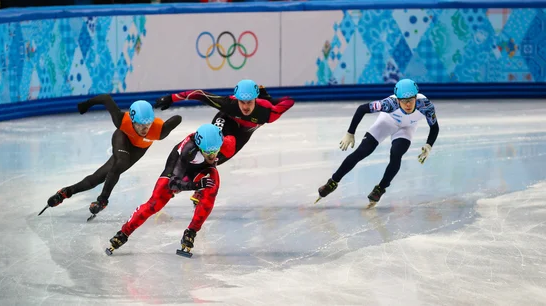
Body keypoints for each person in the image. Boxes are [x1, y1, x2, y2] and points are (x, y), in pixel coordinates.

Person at [39, 94, 182, 220]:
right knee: (120, 163)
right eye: (140, 125)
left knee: (97, 178)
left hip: (138, 149)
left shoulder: (160, 130)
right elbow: (106, 98)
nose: (145, 129)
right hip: (123, 138)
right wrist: (85, 104)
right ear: (132, 120)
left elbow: (178, 118)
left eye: (148, 125)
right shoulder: (121, 120)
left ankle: (66, 192)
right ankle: (103, 200)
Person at [153, 79, 295, 205]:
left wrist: (272, 100)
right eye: (242, 102)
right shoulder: (229, 104)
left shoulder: (268, 112)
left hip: (242, 133)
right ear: (237, 99)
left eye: (250, 102)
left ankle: (193, 182)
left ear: (256, 99)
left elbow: (289, 100)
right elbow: (200, 95)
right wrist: (172, 98)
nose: (245, 107)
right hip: (226, 120)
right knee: (211, 148)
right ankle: (180, 179)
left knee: (217, 158)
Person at [105, 123, 230, 257]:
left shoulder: (223, 143)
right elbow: (173, 184)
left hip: (200, 170)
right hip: (177, 171)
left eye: (215, 151)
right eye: (207, 152)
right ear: (199, 146)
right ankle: (124, 233)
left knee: (213, 183)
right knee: (154, 204)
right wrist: (195, 186)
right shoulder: (189, 150)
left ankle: (191, 232)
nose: (212, 156)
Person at [316, 79, 440, 208]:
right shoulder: (389, 104)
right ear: (397, 100)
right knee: (362, 151)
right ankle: (333, 182)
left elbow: (434, 127)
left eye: (410, 100)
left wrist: (429, 145)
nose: (407, 104)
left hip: (407, 128)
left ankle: (380, 188)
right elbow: (362, 109)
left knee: (396, 154)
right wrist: (350, 133)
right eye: (403, 101)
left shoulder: (426, 105)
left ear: (416, 97)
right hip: (387, 122)